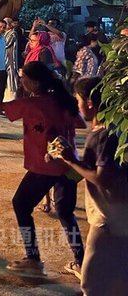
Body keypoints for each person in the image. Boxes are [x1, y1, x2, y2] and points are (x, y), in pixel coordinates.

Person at [0, 62, 86, 278]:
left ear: (35, 82)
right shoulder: (62, 99)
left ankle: (33, 257)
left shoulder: (33, 104)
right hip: (69, 165)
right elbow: (80, 123)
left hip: (45, 165)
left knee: (20, 204)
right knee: (66, 213)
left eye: (23, 78)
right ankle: (81, 261)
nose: (21, 81)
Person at [49, 78, 128, 295]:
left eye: (78, 100)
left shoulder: (104, 135)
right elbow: (89, 173)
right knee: (118, 279)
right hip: (114, 215)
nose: (77, 105)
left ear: (90, 102)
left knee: (91, 282)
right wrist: (65, 160)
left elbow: (103, 178)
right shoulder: (110, 128)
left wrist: (71, 160)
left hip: (108, 218)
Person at [4, 18, 20, 99]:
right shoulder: (4, 34)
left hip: (10, 60)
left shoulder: (13, 34)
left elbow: (6, 44)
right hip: (3, 60)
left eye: (5, 23)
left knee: (11, 80)